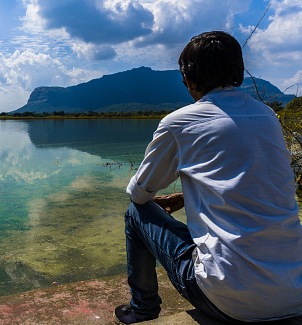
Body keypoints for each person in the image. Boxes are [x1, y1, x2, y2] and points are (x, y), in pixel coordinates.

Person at [114, 31, 302, 324]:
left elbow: (139, 194)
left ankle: (143, 309)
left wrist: (172, 195)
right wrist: (185, 196)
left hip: (229, 301)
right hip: (294, 294)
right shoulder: (268, 117)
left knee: (135, 213)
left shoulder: (180, 122)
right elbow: (248, 184)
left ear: (188, 79)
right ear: (237, 71)